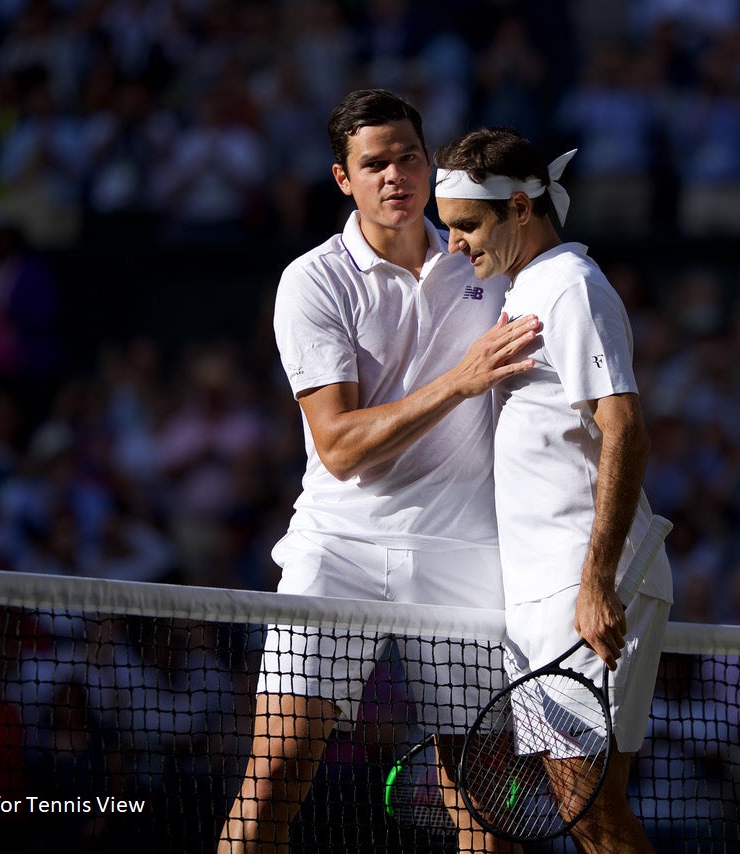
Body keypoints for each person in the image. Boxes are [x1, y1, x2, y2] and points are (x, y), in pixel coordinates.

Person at [217, 90, 538, 854]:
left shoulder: (487, 260)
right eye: (374, 163)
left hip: (465, 556)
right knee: (274, 778)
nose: (395, 175)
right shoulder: (314, 281)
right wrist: (461, 380)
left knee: (484, 812)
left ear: (431, 165)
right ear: (342, 178)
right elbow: (339, 445)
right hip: (341, 549)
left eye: (408, 157)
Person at [433, 127, 673, 853]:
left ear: (519, 208)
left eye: (467, 227)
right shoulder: (524, 290)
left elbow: (625, 425)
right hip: (548, 591)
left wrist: (596, 581)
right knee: (589, 813)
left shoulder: (571, 286)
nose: (456, 247)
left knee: (590, 812)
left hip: (586, 584)